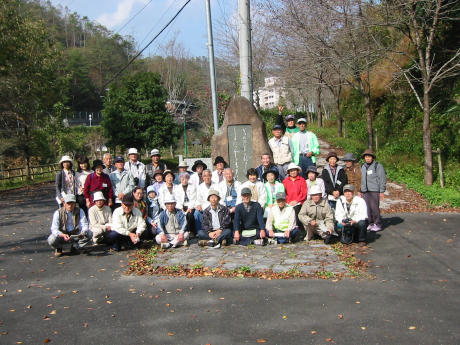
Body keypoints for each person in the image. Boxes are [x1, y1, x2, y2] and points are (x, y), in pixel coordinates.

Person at [360, 149, 386, 232]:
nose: (367, 158)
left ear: (372, 158)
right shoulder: (362, 166)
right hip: (365, 191)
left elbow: (382, 179)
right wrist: (360, 190)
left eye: (369, 157)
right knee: (367, 208)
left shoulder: (378, 166)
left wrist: (381, 191)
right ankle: (370, 223)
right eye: (366, 157)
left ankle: (377, 224)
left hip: (374, 190)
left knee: (375, 208)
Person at [282, 163, 307, 232]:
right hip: (288, 202)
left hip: (299, 202)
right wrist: (288, 201)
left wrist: (296, 200)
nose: (293, 172)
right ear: (289, 172)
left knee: (296, 213)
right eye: (291, 171)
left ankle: (300, 230)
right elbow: (284, 193)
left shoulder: (302, 180)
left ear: (297, 171)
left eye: (294, 170)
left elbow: (303, 193)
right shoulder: (285, 181)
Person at [173, 172, 199, 236]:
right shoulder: (177, 188)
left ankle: (191, 231)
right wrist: (181, 208)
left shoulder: (192, 187)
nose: (184, 181)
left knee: (190, 215)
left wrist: (189, 208)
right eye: (182, 179)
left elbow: (193, 199)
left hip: (190, 205)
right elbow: (177, 199)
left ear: (188, 179)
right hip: (181, 206)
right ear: (180, 179)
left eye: (186, 179)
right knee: (181, 215)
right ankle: (183, 230)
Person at [195, 169, 216, 234]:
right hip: (204, 207)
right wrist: (198, 205)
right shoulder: (200, 187)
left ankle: (215, 230)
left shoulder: (216, 185)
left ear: (211, 176)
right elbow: (198, 199)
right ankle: (200, 231)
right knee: (196, 213)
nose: (207, 178)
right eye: (205, 176)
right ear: (202, 177)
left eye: (208, 176)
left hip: (214, 205)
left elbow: (219, 197)